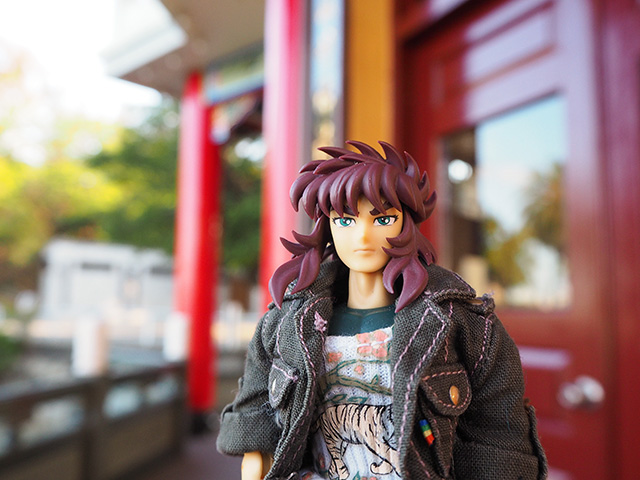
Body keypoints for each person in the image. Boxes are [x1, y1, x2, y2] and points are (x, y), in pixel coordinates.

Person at [217, 141, 547, 480]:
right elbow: (257, 412)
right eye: (345, 220)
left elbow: (497, 429)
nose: (362, 236)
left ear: (407, 224)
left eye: (383, 218)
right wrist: (255, 459)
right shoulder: (287, 322)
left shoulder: (460, 321)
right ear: (327, 227)